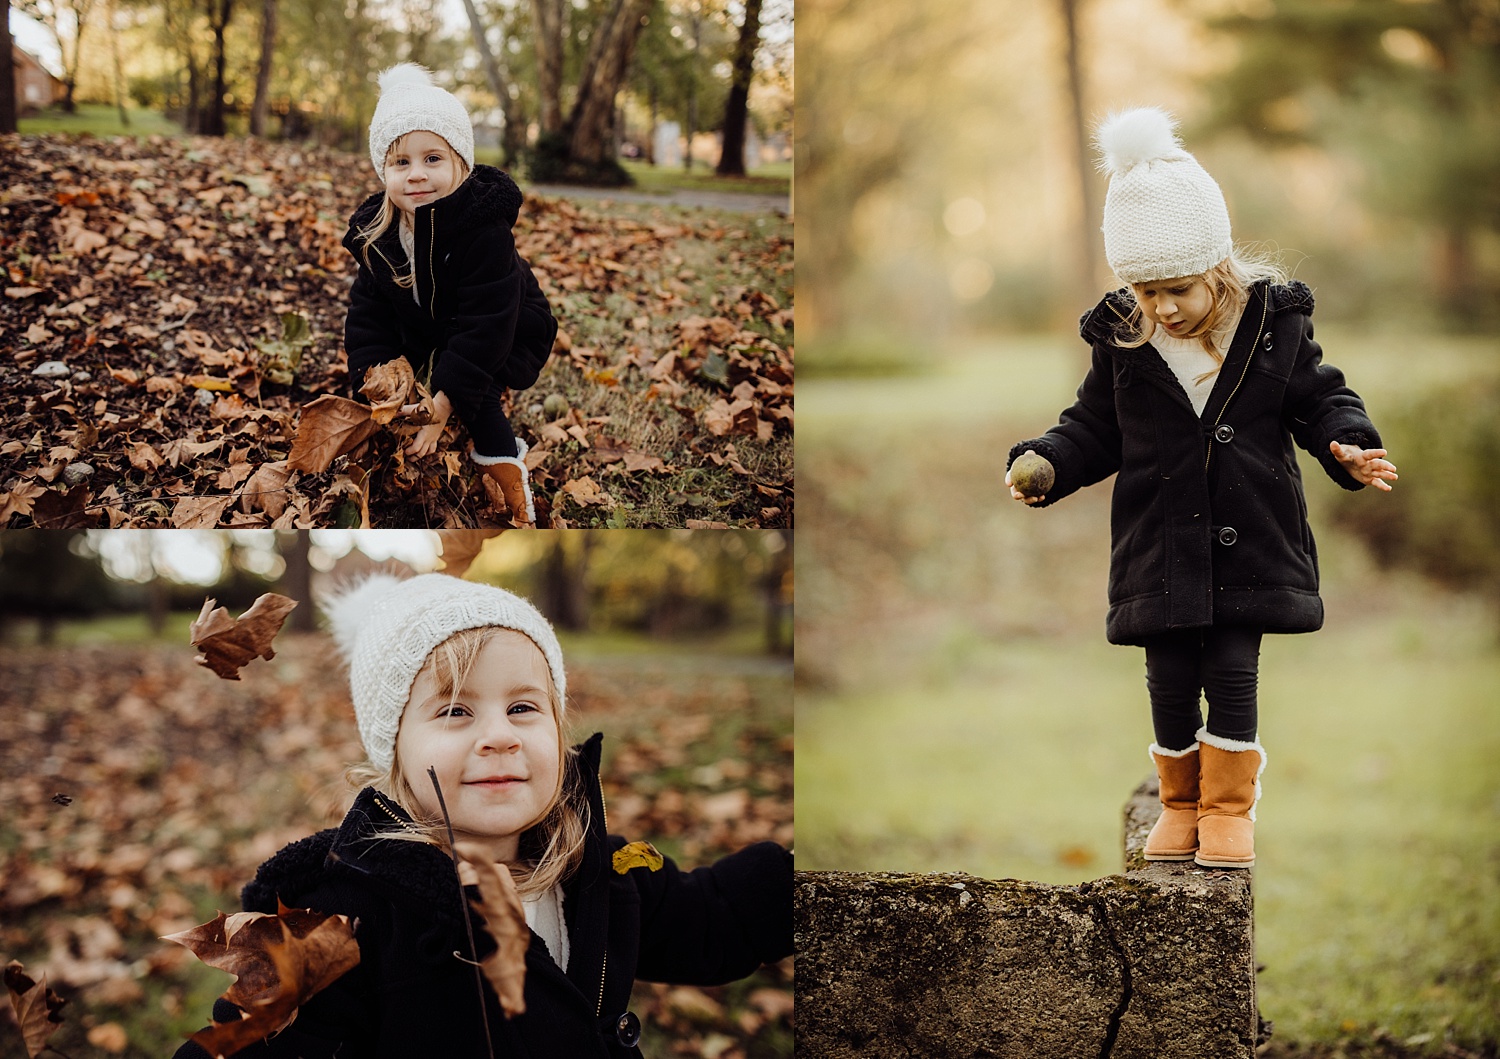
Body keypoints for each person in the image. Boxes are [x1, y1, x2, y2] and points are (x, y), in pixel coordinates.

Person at [1003, 107, 1397, 870]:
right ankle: (1179, 803)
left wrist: (1349, 445)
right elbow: (1093, 427)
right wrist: (1048, 461)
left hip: (1250, 537)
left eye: (1177, 289)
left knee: (1231, 666)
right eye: (1145, 292)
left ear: (1217, 267)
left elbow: (1322, 399)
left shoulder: (1275, 324)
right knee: (1170, 673)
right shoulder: (1126, 336)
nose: (1162, 308)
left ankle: (1226, 809)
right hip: (1159, 541)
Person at [173, 572, 792, 1057]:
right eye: (455, 712)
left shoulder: (600, 873)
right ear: (394, 751)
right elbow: (254, 1042)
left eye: (524, 707)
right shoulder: (342, 916)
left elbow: (716, 918)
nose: (499, 736)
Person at [343, 64, 559, 527]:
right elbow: (367, 316)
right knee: (406, 382)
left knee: (475, 394)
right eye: (401, 162)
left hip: (506, 325)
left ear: (461, 162)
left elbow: (486, 324)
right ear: (384, 170)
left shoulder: (484, 231)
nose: (416, 175)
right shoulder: (378, 235)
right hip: (430, 325)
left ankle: (506, 472)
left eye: (432, 159)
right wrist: (376, 378)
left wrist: (444, 403)